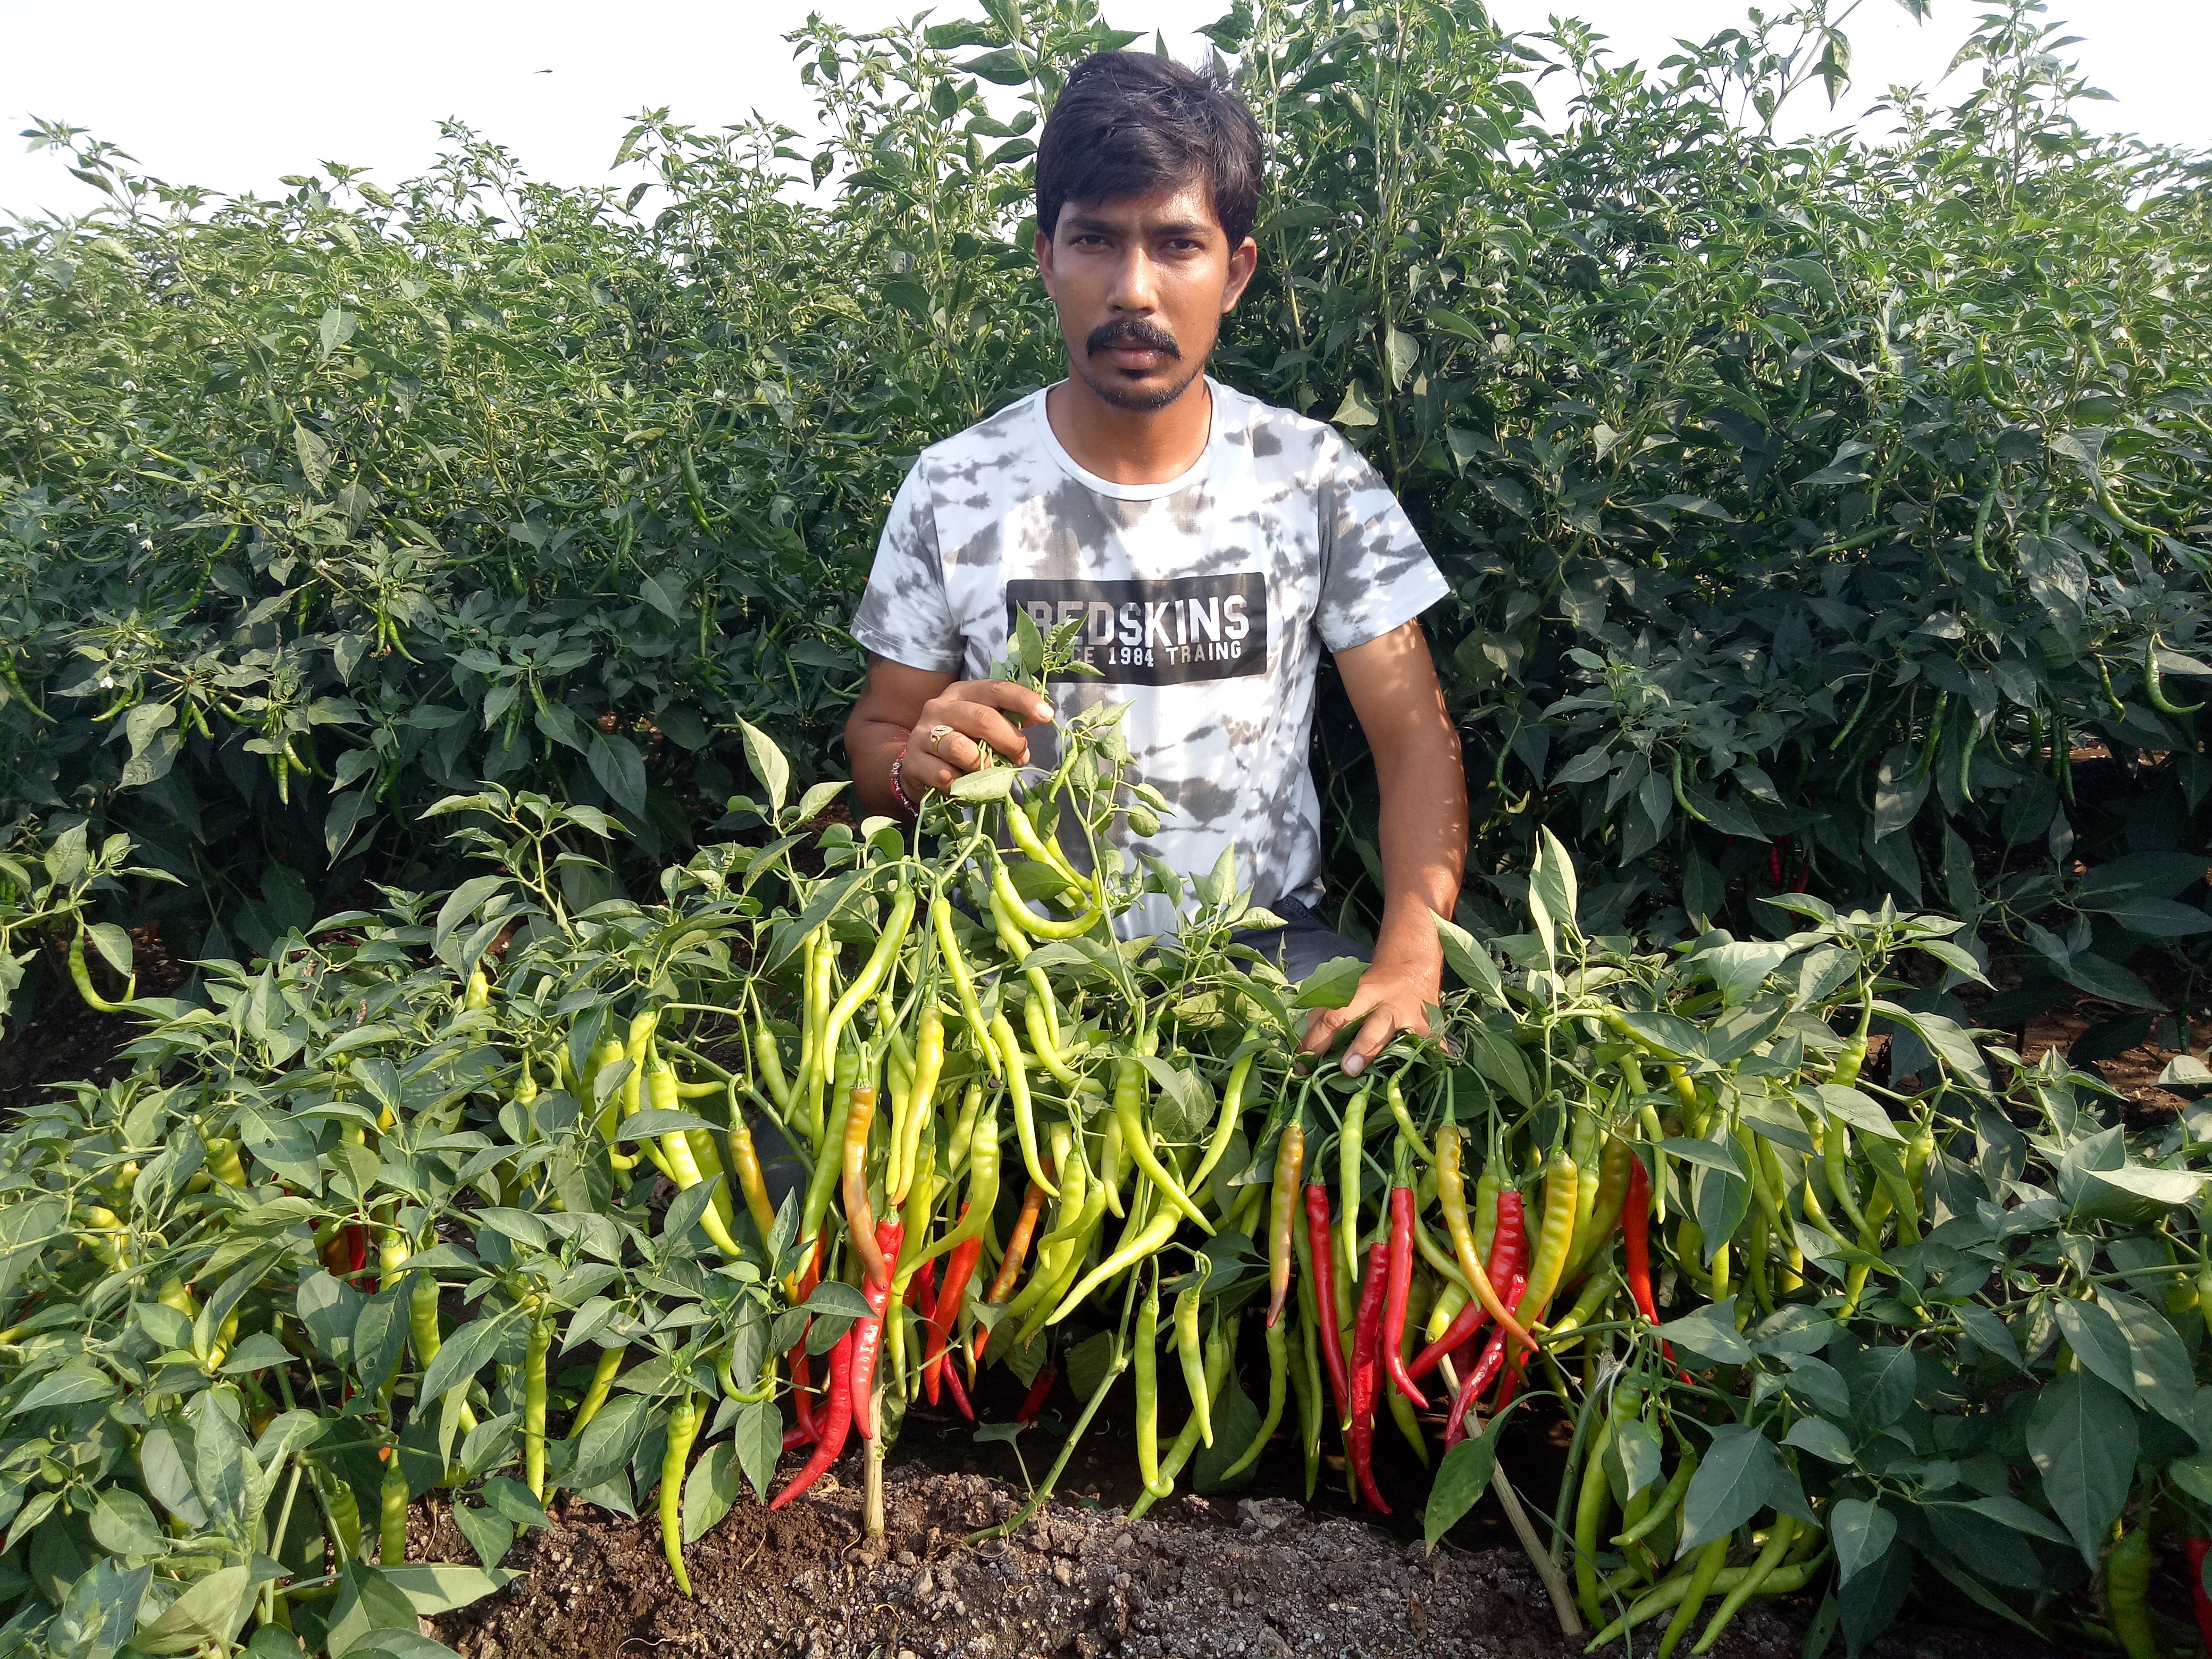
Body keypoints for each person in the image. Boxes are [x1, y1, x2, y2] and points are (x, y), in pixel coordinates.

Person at [845, 50, 1466, 1077]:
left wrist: (1409, 957)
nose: (1134, 289)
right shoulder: (954, 488)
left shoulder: (1311, 478)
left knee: (1394, 1139)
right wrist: (912, 771)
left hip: (1263, 947)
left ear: (1238, 270)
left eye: (1179, 244)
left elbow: (1415, 740)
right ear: (1047, 256)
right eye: (1096, 240)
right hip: (1011, 966)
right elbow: (878, 733)